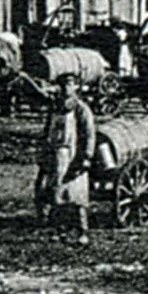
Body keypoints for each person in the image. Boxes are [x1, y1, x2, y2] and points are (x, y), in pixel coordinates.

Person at [35, 79, 97, 243]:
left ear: (75, 87)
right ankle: (59, 230)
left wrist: (86, 158)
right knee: (56, 194)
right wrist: (43, 154)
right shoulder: (55, 108)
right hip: (56, 155)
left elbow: (89, 134)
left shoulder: (81, 109)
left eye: (68, 85)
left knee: (76, 195)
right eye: (62, 86)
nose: (65, 89)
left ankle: (83, 232)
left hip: (73, 155)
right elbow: (47, 132)